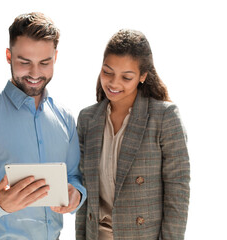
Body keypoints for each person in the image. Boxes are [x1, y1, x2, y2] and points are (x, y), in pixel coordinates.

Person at [0, 12, 86, 240]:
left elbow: (73, 177)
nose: (35, 73)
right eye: (24, 62)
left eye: (45, 62)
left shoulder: (66, 118)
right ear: (8, 56)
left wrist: (76, 195)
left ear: (56, 57)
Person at [75, 29, 190, 240]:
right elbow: (85, 196)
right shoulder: (87, 119)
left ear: (143, 76)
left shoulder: (164, 116)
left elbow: (178, 192)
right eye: (107, 72)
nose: (114, 83)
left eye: (126, 77)